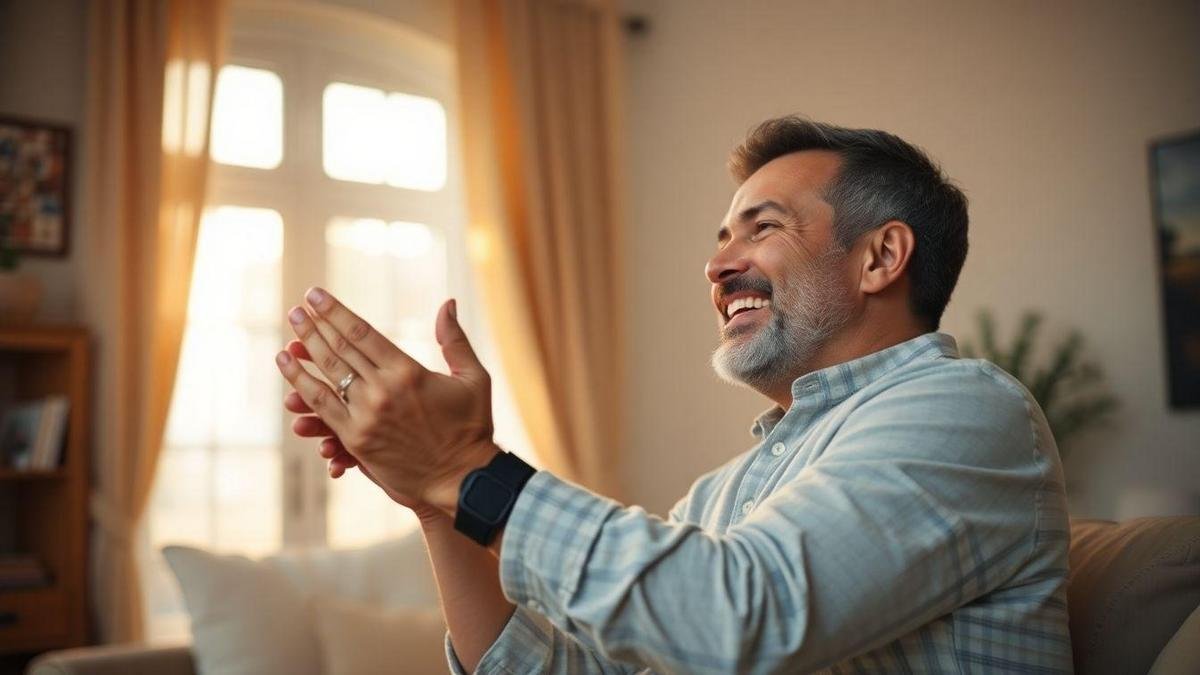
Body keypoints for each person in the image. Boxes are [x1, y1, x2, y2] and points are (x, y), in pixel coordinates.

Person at [274, 116, 1072, 673]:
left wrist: (464, 466)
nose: (718, 265)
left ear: (880, 257)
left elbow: (741, 620)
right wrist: (438, 504)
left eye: (761, 228)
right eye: (720, 239)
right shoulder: (723, 495)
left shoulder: (967, 410)